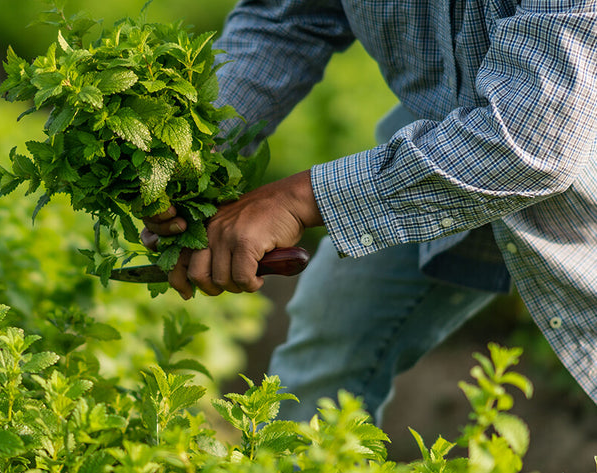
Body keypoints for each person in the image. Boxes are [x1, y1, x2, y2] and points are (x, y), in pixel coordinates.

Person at [141, 0, 597, 424]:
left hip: (562, 148)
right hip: (440, 136)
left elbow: (532, 138)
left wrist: (295, 200)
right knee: (333, 331)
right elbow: (287, 17)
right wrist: (193, 159)